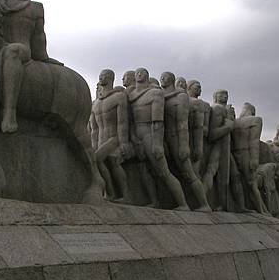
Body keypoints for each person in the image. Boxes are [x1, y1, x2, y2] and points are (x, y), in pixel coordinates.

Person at [0, 0, 60, 133]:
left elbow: (39, 37)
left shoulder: (35, 7)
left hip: (22, 48)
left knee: (12, 51)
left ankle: (9, 112)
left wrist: (44, 58)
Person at [128, 68, 189, 210]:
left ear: (147, 76)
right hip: (138, 135)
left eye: (142, 72)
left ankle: (183, 204)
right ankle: (154, 201)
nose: (139, 74)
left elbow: (158, 121)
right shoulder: (131, 95)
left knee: (163, 171)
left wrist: (157, 143)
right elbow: (129, 120)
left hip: (150, 133)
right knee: (144, 170)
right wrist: (133, 136)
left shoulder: (155, 93)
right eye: (137, 72)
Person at [160, 71, 211, 211]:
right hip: (166, 139)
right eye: (161, 77)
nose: (162, 79)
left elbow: (182, 123)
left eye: (165, 77)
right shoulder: (161, 96)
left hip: (178, 138)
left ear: (171, 80)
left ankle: (204, 204)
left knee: (189, 173)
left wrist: (184, 145)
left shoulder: (181, 97)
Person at [89, 69, 130, 201]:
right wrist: (94, 145)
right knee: (108, 162)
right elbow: (94, 129)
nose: (101, 78)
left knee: (98, 159)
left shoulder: (118, 97)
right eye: (100, 76)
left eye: (105, 76)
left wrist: (123, 142)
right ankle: (111, 193)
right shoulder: (95, 104)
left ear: (111, 78)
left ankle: (120, 194)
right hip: (101, 139)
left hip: (114, 137)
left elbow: (122, 122)